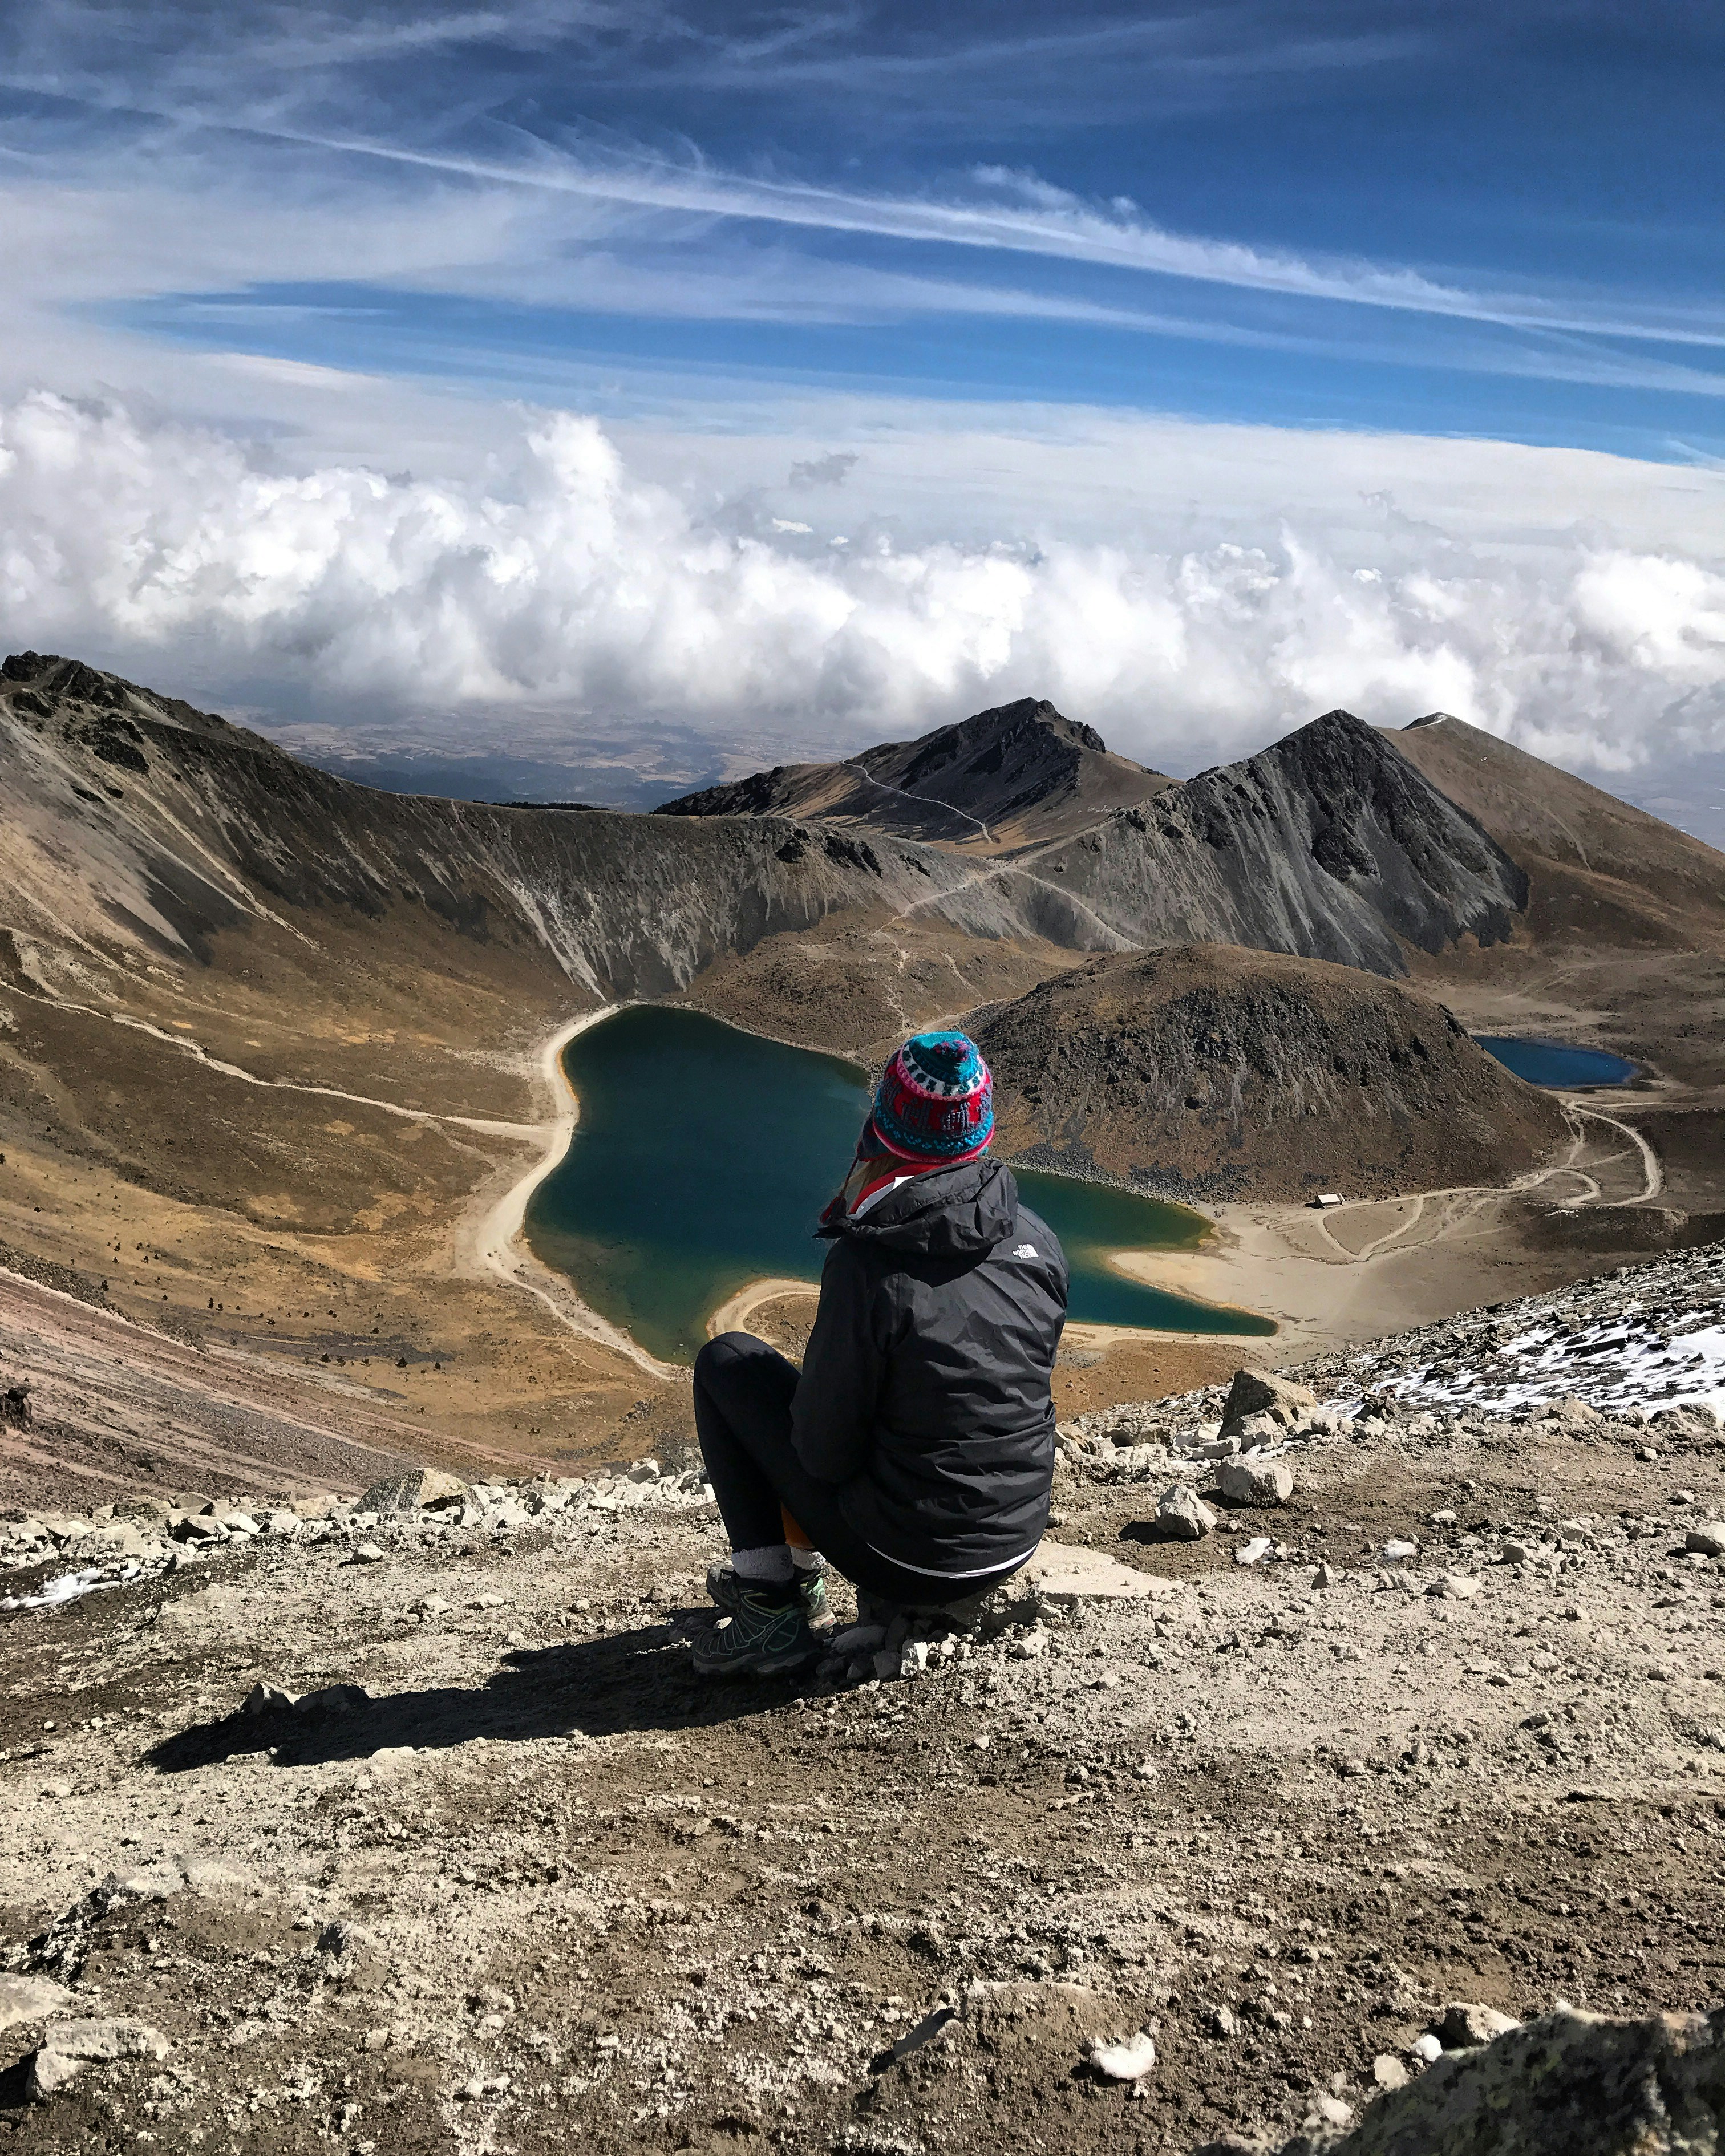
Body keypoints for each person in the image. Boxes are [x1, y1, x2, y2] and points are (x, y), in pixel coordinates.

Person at [689, 1030, 1068, 1677]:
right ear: (980, 1131)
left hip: (913, 1560)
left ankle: (771, 1606)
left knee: (729, 1363)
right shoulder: (1036, 1238)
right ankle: (800, 1578)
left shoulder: (870, 1264)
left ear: (886, 1127)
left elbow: (822, 1453)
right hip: (1015, 1539)